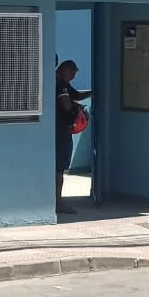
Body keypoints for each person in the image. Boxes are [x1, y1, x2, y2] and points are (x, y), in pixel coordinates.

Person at [54, 59, 93, 215]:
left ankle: (56, 200)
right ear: (65, 70)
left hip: (57, 130)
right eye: (72, 73)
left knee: (57, 167)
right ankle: (58, 202)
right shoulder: (60, 85)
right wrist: (77, 109)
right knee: (59, 168)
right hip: (61, 131)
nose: (74, 78)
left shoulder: (62, 84)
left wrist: (92, 92)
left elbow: (76, 95)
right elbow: (67, 105)